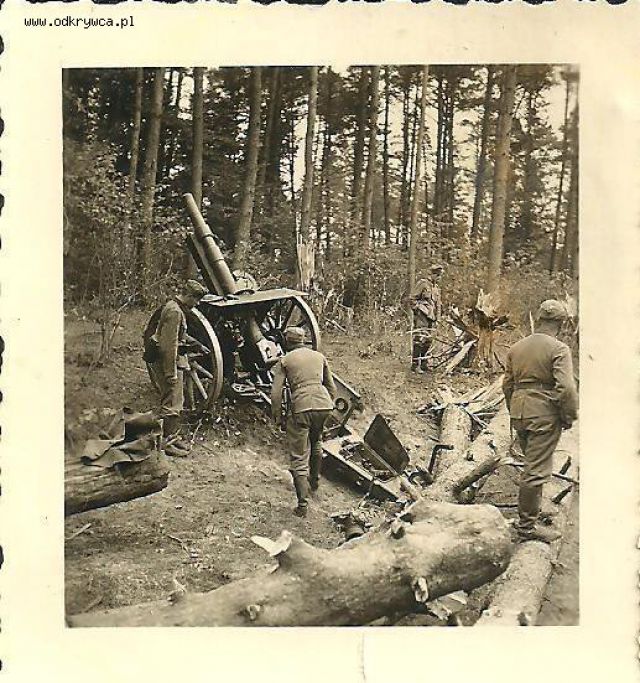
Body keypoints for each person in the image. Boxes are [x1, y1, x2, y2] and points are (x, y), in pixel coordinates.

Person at [502, 299, 578, 543]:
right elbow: (566, 388)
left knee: (532, 464)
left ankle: (531, 512)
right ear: (561, 324)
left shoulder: (516, 348)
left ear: (539, 319)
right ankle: (526, 528)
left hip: (520, 412)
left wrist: (514, 411)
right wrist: (568, 415)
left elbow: (507, 385)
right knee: (535, 471)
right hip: (544, 414)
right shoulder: (559, 349)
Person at [270, 326, 337, 517]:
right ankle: (314, 481)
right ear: (302, 340)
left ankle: (302, 505)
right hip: (324, 405)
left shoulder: (285, 360)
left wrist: (278, 416)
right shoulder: (319, 356)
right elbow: (331, 387)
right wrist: (327, 405)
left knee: (299, 456)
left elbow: (276, 393)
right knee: (316, 441)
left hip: (301, 407)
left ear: (287, 341)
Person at [146, 279, 208, 457]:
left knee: (176, 401)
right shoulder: (174, 312)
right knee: (171, 403)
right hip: (168, 362)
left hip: (173, 361)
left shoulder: (176, 308)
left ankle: (172, 437)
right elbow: (169, 346)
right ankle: (166, 442)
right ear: (188, 295)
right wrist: (170, 373)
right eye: (196, 299)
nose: (197, 304)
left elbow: (180, 335)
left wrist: (197, 345)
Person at [410, 264, 443, 372]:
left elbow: (438, 305)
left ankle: (424, 363)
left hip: (431, 317)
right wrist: (418, 310)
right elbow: (412, 299)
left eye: (439, 276)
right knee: (419, 339)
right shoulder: (422, 284)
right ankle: (415, 365)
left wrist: (438, 319)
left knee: (428, 340)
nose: (438, 278)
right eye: (437, 275)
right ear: (432, 274)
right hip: (422, 316)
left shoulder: (436, 288)